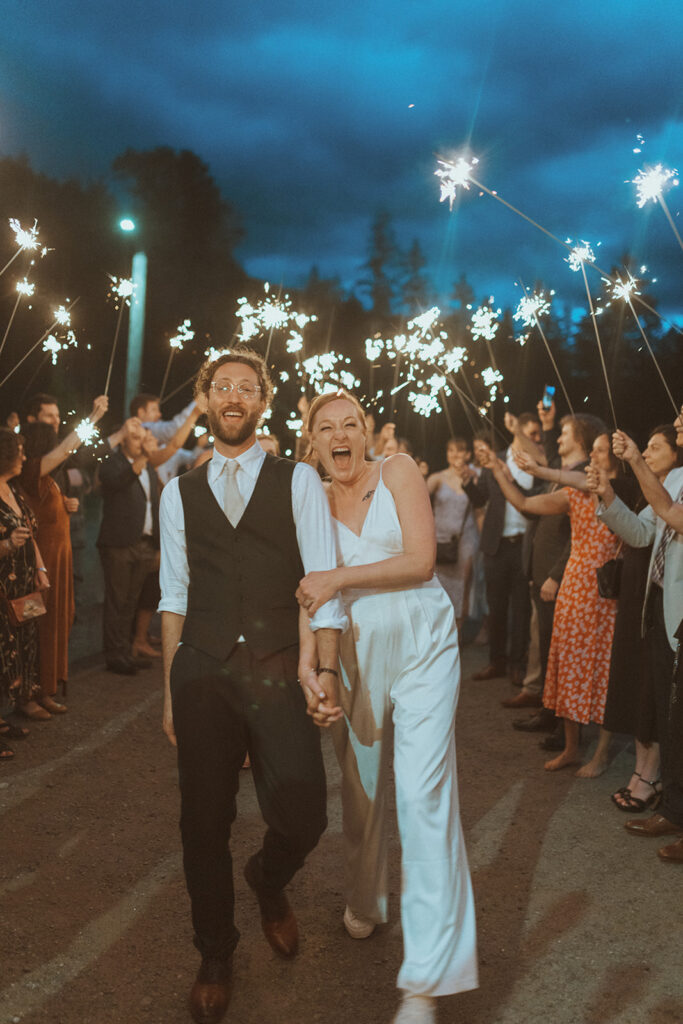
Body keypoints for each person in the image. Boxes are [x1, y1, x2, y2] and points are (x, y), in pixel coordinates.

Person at [159, 350, 345, 1024]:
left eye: (247, 387)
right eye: (221, 387)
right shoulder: (176, 491)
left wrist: (324, 668)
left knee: (304, 810)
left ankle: (267, 880)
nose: (234, 397)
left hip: (277, 667)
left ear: (264, 400)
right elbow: (173, 593)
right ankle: (215, 950)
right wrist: (168, 691)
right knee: (201, 822)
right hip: (202, 670)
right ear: (204, 399)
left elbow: (322, 583)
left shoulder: (297, 480)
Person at [297, 391, 478, 1024]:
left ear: (367, 432)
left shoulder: (397, 470)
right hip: (352, 651)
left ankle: (423, 984)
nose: (341, 435)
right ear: (312, 441)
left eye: (351, 424)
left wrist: (341, 579)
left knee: (425, 798)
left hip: (424, 641)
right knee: (362, 786)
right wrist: (314, 668)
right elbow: (307, 593)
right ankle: (367, 899)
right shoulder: (310, 498)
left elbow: (422, 561)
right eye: (327, 428)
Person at [480, 415, 619, 776]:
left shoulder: (622, 490)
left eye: (603, 452)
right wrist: (499, 472)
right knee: (567, 662)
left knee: (602, 669)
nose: (597, 458)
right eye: (597, 451)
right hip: (574, 583)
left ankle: (601, 752)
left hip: (605, 587)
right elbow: (528, 506)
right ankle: (571, 747)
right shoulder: (577, 491)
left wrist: (541, 471)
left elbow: (581, 481)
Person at [591, 418, 683, 863]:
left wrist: (632, 461)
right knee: (671, 720)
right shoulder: (676, 479)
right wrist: (608, 496)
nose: (679, 420)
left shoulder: (672, 486)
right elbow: (644, 531)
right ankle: (673, 809)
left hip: (680, 614)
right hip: (663, 612)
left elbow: (672, 515)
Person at [19, 395, 109, 716]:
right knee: (34, 629)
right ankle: (27, 696)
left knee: (57, 623)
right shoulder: (30, 470)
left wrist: (66, 507)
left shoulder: (46, 477)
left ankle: (46, 689)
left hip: (58, 564)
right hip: (38, 566)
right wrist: (94, 416)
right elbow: (65, 450)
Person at [463, 414, 543, 684]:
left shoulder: (538, 464)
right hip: (496, 545)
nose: (535, 440)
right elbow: (482, 498)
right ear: (517, 431)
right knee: (496, 606)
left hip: (523, 545)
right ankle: (496, 661)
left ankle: (517, 665)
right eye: (530, 434)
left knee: (521, 609)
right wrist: (467, 485)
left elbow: (534, 502)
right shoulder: (495, 459)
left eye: (537, 435)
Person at [97, 418, 161, 675]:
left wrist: (157, 543)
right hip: (119, 543)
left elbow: (152, 506)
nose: (142, 443)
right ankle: (114, 656)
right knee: (117, 601)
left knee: (131, 602)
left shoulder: (149, 469)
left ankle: (126, 650)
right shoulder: (115, 463)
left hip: (144, 543)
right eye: (137, 438)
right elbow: (116, 482)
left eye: (145, 439)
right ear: (124, 440)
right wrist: (142, 459)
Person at [0, 429, 49, 754]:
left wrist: (41, 570)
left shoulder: (12, 488)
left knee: (19, 648)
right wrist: (5, 545)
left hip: (24, 586)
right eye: (18, 450)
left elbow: (29, 533)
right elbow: (11, 539)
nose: (23, 456)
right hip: (3, 589)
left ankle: (4, 717)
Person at [427, 437, 479, 631]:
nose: (454, 455)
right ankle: (438, 634)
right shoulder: (437, 478)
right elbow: (419, 500)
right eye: (450, 451)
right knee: (438, 588)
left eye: (459, 451)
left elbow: (481, 505)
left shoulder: (473, 477)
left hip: (465, 540)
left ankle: (456, 637)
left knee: (462, 589)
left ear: (467, 454)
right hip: (439, 540)